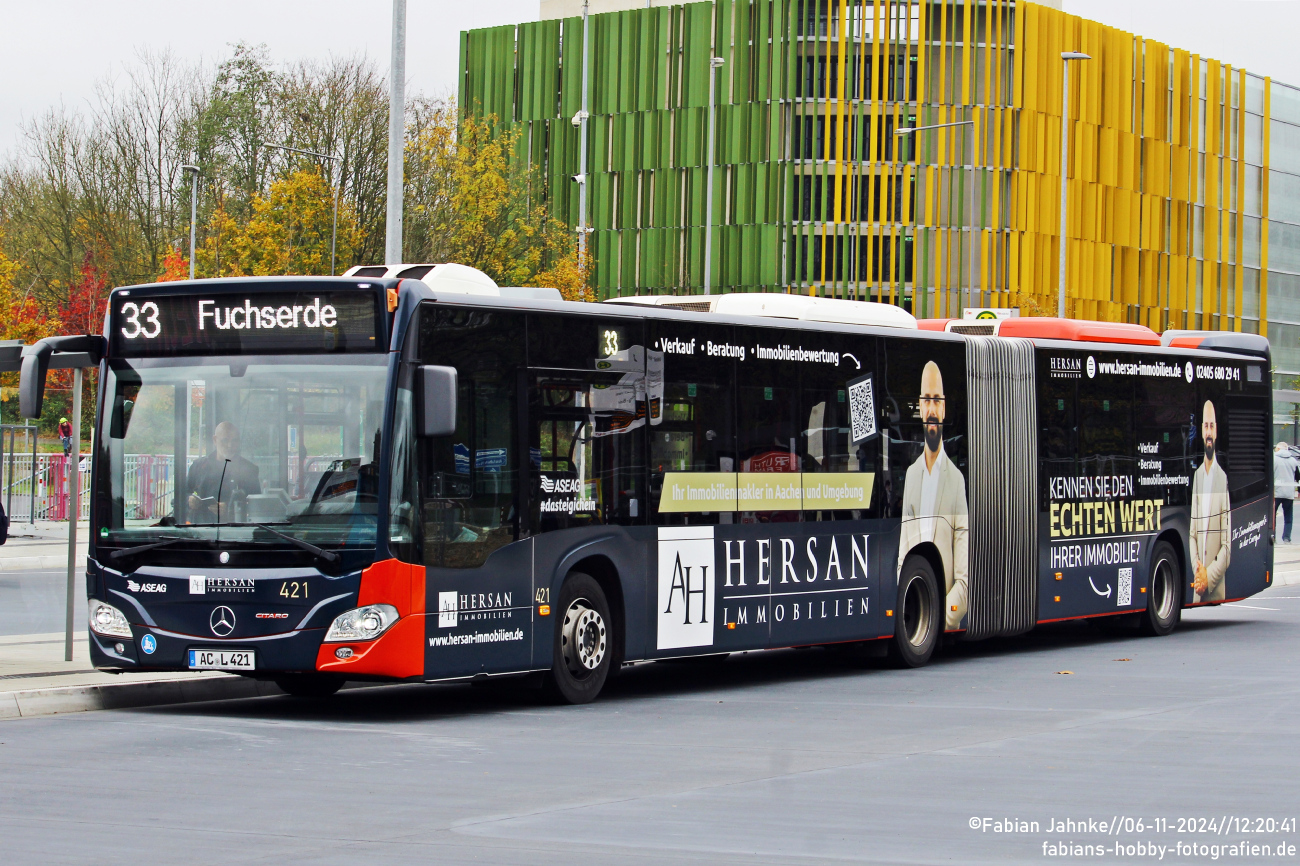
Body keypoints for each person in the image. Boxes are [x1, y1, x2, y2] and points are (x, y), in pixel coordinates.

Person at [898, 360, 969, 629]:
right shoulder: (912, 476)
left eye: (936, 400)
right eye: (926, 400)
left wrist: (938, 621)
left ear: (943, 407)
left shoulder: (957, 481)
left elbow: (963, 580)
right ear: (920, 406)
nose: (931, 409)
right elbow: (902, 558)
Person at [1191, 400, 1231, 602]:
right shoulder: (1197, 477)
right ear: (1201, 431)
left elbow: (1227, 546)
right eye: (1205, 426)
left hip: (1215, 587)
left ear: (1216, 432)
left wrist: (1208, 577)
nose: (1208, 431)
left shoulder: (1222, 479)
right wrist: (1198, 571)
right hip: (1197, 587)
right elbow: (1192, 535)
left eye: (1212, 426)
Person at [185, 421, 261, 524]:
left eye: (234, 441)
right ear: (215, 440)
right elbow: (181, 495)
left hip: (236, 531)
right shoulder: (199, 466)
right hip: (199, 531)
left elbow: (257, 505)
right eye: (225, 440)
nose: (230, 445)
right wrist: (189, 500)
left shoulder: (249, 470)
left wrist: (231, 510)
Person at [1274, 441, 1298, 544]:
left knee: (1272, 516)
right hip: (1289, 492)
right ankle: (1287, 538)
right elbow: (1298, 476)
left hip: (1276, 491)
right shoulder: (1293, 460)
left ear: (1278, 449)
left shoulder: (1273, 459)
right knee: (1288, 516)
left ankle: (1273, 537)